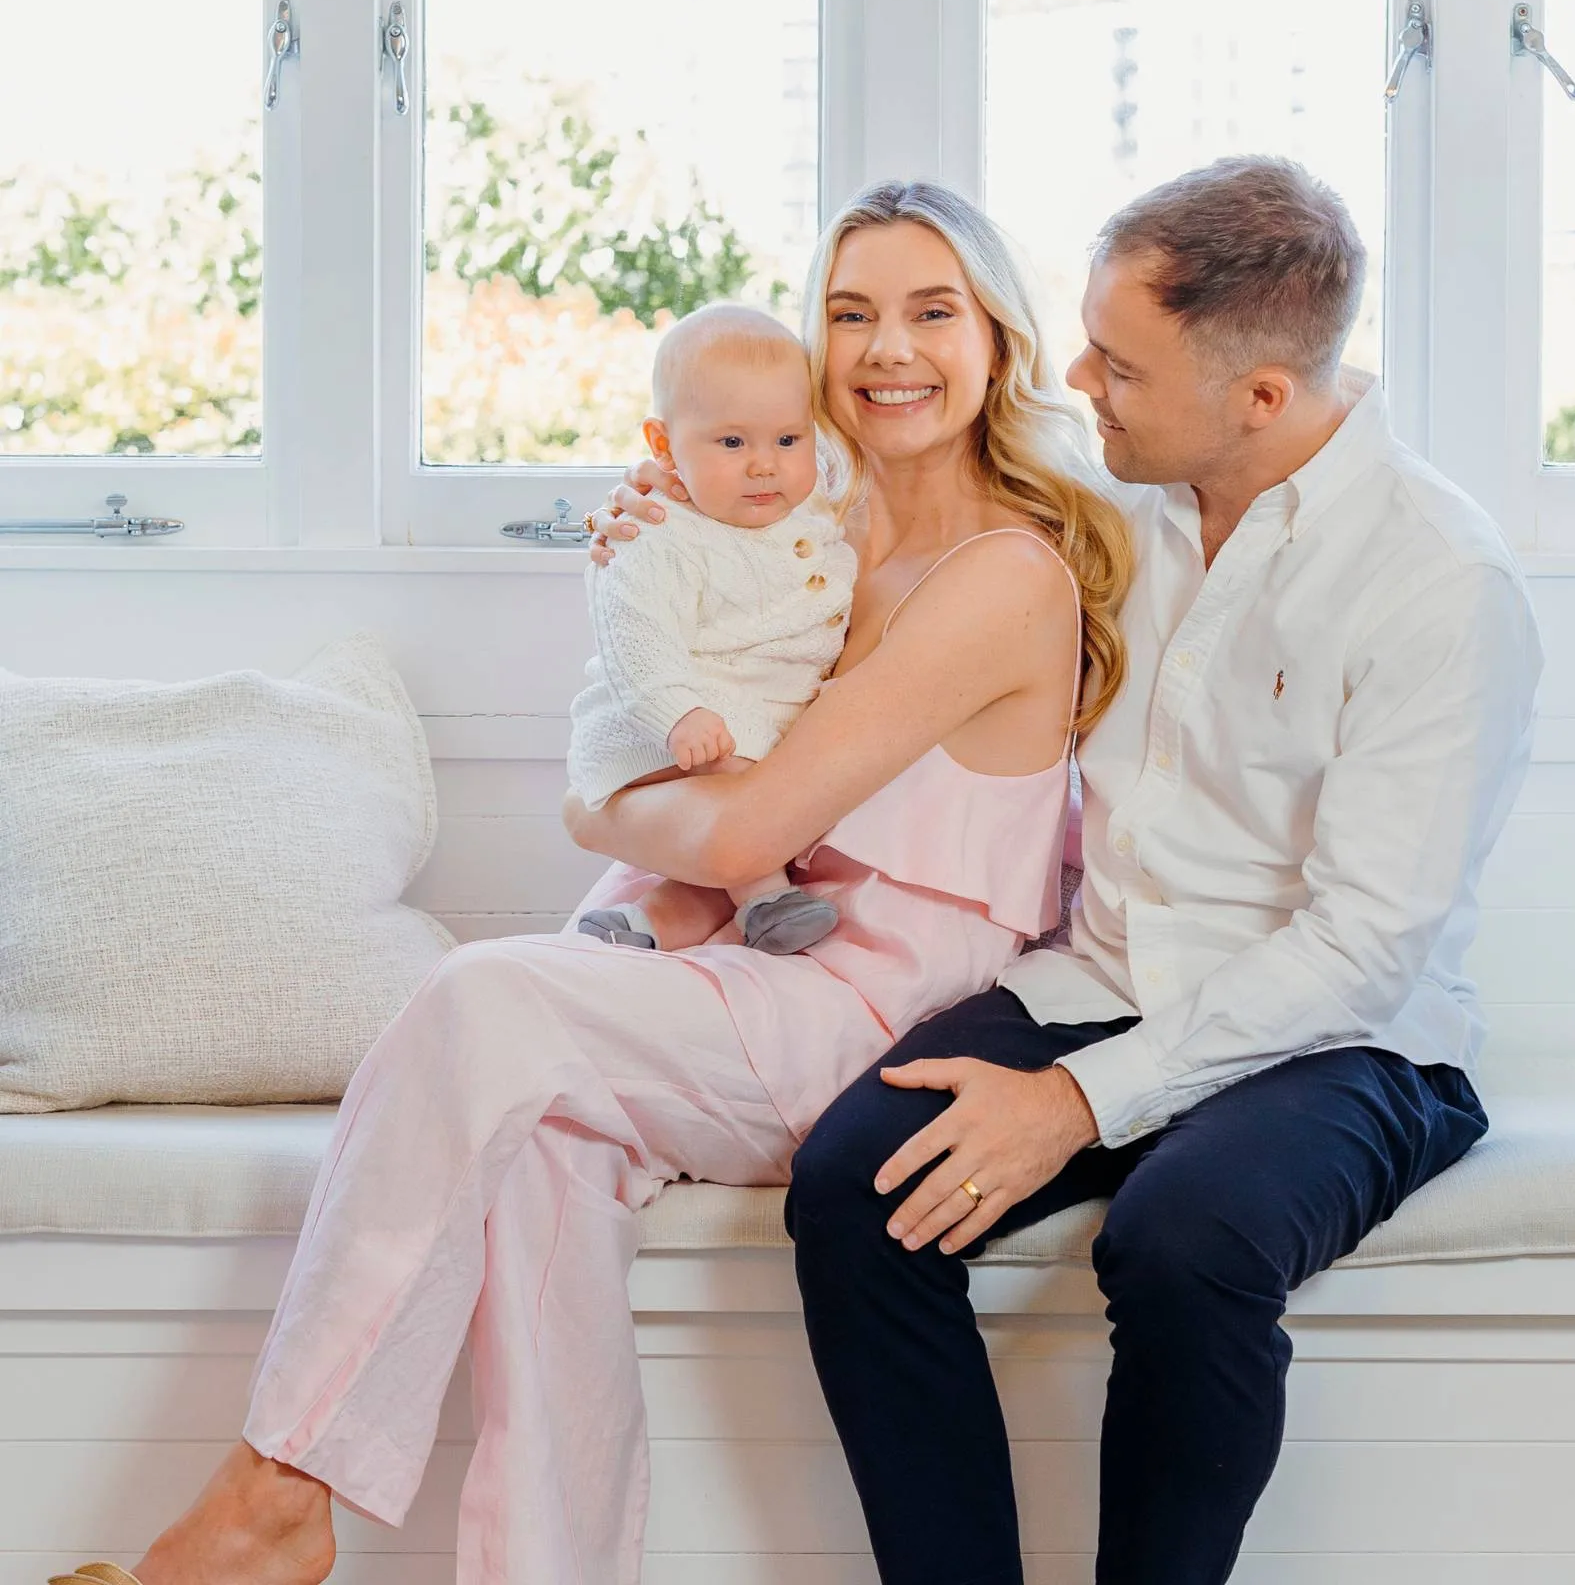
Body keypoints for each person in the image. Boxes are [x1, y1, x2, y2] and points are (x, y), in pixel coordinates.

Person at [57, 179, 1131, 1585]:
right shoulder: (794, 533)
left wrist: (604, 802)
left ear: (997, 338)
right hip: (738, 974)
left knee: (482, 1002)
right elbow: (642, 734)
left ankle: (276, 1494)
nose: (889, 349)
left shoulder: (1007, 575)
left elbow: (736, 834)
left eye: (933, 311)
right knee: (539, 1156)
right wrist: (634, 739)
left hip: (880, 1013)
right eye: (851, 313)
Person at [780, 156, 1545, 1585]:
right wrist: (678, 527)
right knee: (851, 1189)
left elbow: (1364, 947)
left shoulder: (1442, 582)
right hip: (1102, 980)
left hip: (1347, 1041)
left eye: (1119, 364)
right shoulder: (1108, 508)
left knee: (1183, 1241)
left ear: (1260, 397)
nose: (1077, 376)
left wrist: (1073, 1105)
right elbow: (881, 510)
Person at [567, 301, 856, 955]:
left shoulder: (812, 507)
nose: (764, 465)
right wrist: (679, 711)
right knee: (744, 773)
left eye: (789, 440)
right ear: (664, 445)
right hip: (660, 723)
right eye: (732, 442)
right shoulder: (658, 531)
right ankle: (766, 897)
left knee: (749, 789)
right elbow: (634, 635)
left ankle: (645, 927)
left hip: (753, 724)